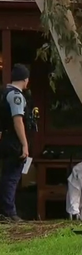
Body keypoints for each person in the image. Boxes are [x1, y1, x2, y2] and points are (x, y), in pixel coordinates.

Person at [0, 63, 32, 222]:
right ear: (25, 80)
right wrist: (25, 144)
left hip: (6, 139)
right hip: (14, 141)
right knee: (12, 176)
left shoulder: (4, 92)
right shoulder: (16, 96)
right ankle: (9, 212)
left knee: (7, 175)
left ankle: (6, 210)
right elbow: (18, 121)